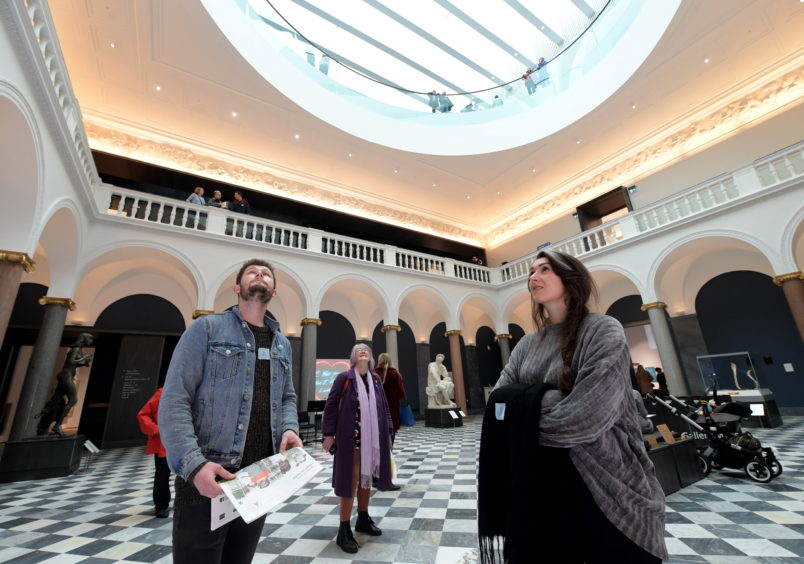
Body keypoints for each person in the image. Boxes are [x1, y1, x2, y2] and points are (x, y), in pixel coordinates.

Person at [488, 249, 666, 562]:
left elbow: (584, 418)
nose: (534, 277)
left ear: (569, 279)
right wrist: (559, 397)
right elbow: (497, 404)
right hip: (542, 484)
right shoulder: (527, 344)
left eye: (545, 269)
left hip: (607, 481)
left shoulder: (602, 330)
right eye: (531, 272)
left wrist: (525, 406)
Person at [159, 258, 302, 564]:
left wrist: (290, 428)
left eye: (266, 274)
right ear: (238, 288)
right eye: (252, 272)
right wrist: (194, 467)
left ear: (273, 292)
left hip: (258, 480)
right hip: (210, 478)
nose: (260, 274)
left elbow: (288, 396)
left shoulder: (282, 344)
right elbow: (174, 399)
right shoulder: (206, 328)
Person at [322, 344, 394, 554]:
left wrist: (388, 432)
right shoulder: (344, 378)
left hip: (372, 440)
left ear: (371, 357)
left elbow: (385, 408)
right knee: (350, 480)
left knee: (366, 480)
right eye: (358, 349)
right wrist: (328, 434)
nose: (363, 350)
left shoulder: (376, 380)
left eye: (366, 349)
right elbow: (331, 406)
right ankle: (344, 529)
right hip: (349, 440)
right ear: (353, 356)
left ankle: (363, 518)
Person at [37, 333, 93, 436]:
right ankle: (57, 426)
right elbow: (72, 361)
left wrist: (83, 363)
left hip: (67, 375)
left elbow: (73, 364)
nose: (91, 341)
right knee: (73, 400)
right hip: (66, 376)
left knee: (57, 401)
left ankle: (45, 425)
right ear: (84, 339)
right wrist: (85, 356)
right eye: (90, 339)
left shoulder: (78, 349)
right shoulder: (76, 350)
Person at [137, 387, 171, 518]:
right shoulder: (162, 393)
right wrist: (155, 430)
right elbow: (143, 414)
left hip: (184, 441)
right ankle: (161, 505)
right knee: (162, 475)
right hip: (164, 442)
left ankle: (186, 503)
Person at [631, 365, 655, 434]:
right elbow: (644, 413)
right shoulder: (634, 393)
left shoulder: (637, 374)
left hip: (642, 387)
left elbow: (637, 381)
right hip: (647, 386)